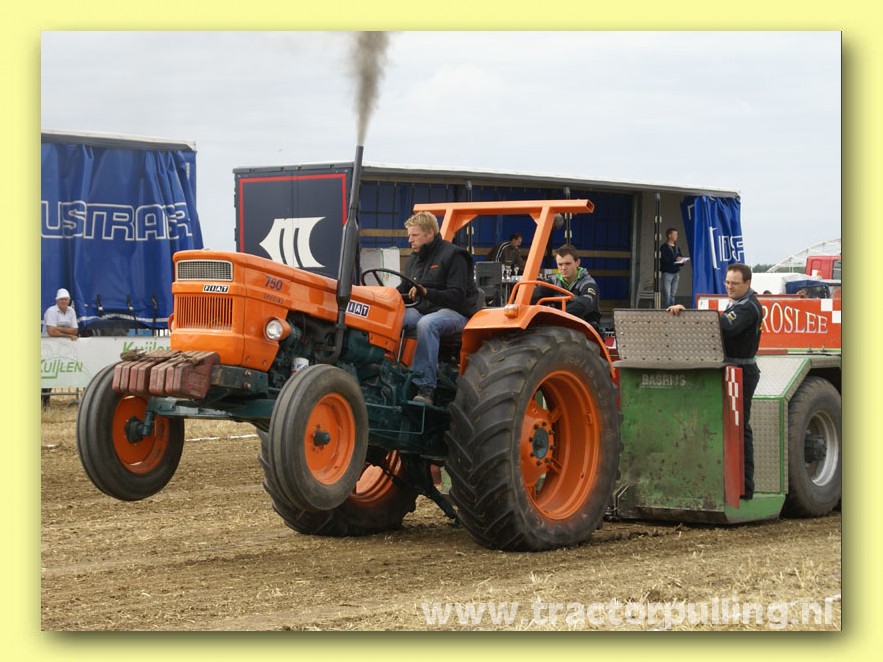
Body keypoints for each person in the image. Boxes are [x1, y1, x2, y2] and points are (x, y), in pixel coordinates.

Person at [667, 263, 762, 500]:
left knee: (739, 427)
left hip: (742, 370)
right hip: (730, 368)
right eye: (727, 282)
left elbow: (724, 327)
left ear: (747, 283)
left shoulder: (749, 307)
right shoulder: (736, 303)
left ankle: (744, 487)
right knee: (726, 426)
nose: (729, 287)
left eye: (734, 283)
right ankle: (725, 482)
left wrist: (687, 314)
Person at [398, 211, 483, 404]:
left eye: (414, 235)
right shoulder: (414, 259)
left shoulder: (454, 256)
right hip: (423, 309)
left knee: (427, 324)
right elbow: (403, 288)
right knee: (397, 318)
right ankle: (393, 372)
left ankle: (425, 386)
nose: (410, 240)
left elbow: (456, 296)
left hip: (456, 312)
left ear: (429, 233)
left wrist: (426, 292)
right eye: (409, 235)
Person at [532, 244, 602, 336]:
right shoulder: (553, 281)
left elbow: (584, 304)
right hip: (561, 328)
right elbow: (535, 296)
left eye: (568, 264)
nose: (563, 268)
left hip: (587, 330)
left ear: (577, 263)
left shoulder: (588, 283)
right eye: (560, 264)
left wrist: (555, 316)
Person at [42, 288, 78, 408]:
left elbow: (75, 331)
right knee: (46, 375)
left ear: (69, 301)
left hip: (62, 348)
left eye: (65, 299)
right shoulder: (51, 311)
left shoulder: (71, 311)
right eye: (61, 299)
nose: (64, 301)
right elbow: (51, 332)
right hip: (48, 347)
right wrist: (68, 334)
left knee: (55, 374)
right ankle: (44, 401)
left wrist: (58, 329)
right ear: (57, 301)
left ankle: (45, 401)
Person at [660, 228, 687, 308]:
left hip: (676, 273)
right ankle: (666, 309)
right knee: (667, 293)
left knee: (673, 294)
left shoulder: (677, 247)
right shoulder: (664, 247)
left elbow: (680, 257)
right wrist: (676, 259)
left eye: (677, 234)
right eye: (675, 234)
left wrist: (682, 261)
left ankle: (672, 309)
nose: (676, 236)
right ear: (669, 235)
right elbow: (665, 260)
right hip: (667, 273)